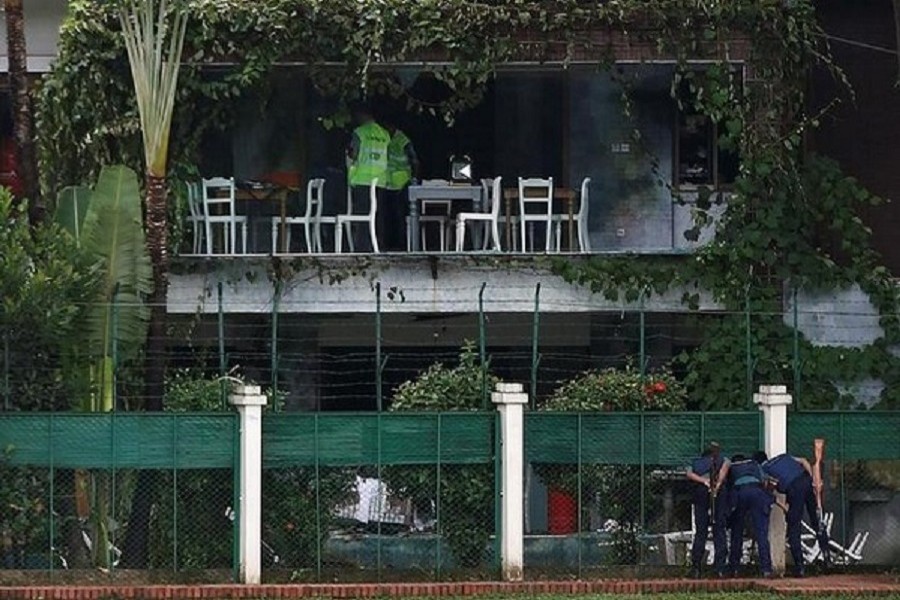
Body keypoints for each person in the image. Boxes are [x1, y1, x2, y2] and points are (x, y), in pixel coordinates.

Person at [753, 450, 830, 577]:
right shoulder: (783, 456)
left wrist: (783, 506)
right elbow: (804, 461)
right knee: (817, 520)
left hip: (794, 489)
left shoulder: (763, 468)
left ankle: (800, 568)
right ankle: (827, 558)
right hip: (806, 481)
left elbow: (770, 487)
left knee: (794, 527)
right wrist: (813, 480)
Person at [721, 453, 774, 578]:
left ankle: (734, 569)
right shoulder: (754, 464)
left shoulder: (731, 466)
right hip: (757, 492)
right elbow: (765, 481)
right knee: (761, 534)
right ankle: (766, 569)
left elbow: (727, 485)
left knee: (737, 532)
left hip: (739, 493)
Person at [346, 103, 390, 251]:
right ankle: (378, 245)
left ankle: (363, 247)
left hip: (362, 179)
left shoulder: (359, 132)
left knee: (363, 217)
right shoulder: (384, 134)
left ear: (361, 115)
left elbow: (353, 153)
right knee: (378, 216)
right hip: (380, 180)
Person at [685, 442, 730, 579]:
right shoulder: (724, 459)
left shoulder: (695, 462)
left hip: (701, 493)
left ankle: (696, 569)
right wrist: (716, 485)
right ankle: (720, 569)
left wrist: (703, 481)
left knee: (701, 532)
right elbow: (724, 471)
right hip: (718, 494)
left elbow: (688, 474)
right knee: (719, 530)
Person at [382, 117, 420, 251]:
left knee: (400, 215)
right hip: (387, 184)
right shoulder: (385, 138)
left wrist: (414, 179)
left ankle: (401, 244)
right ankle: (389, 242)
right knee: (388, 215)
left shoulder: (402, 139)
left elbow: (414, 161)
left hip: (402, 183)